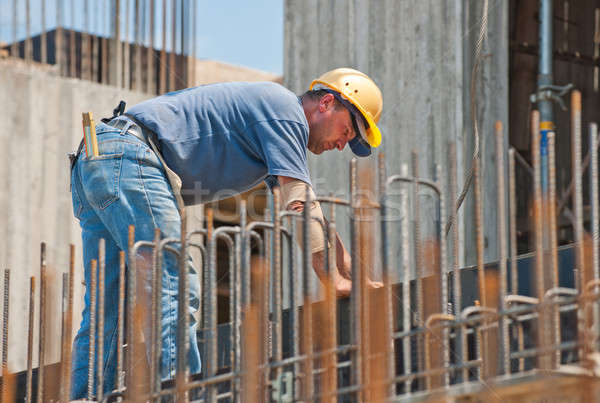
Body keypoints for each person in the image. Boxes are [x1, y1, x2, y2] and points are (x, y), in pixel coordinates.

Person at [69, 67, 383, 398]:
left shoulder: (273, 123)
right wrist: (331, 278)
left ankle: (85, 397)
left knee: (107, 307)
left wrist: (353, 276)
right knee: (172, 282)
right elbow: (300, 203)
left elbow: (306, 205)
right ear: (327, 103)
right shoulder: (286, 112)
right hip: (129, 158)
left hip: (97, 155)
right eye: (347, 131)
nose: (341, 144)